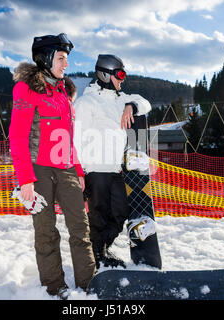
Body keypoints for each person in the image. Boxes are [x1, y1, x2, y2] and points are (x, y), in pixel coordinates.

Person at [9, 33, 96, 298]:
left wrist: (78, 169)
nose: (66, 64)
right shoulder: (26, 89)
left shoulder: (63, 93)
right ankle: (55, 286)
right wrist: (25, 179)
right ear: (46, 58)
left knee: (81, 228)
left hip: (67, 168)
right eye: (61, 58)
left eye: (66, 59)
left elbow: (68, 137)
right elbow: (17, 135)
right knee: (46, 231)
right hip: (38, 170)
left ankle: (89, 283)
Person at [73, 54, 151, 269]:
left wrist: (131, 106)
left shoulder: (121, 99)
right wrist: (78, 172)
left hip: (115, 169)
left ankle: (99, 249)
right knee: (98, 216)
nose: (122, 79)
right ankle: (97, 256)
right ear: (105, 74)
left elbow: (146, 103)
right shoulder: (86, 102)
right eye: (120, 74)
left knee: (120, 213)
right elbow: (75, 139)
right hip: (94, 170)